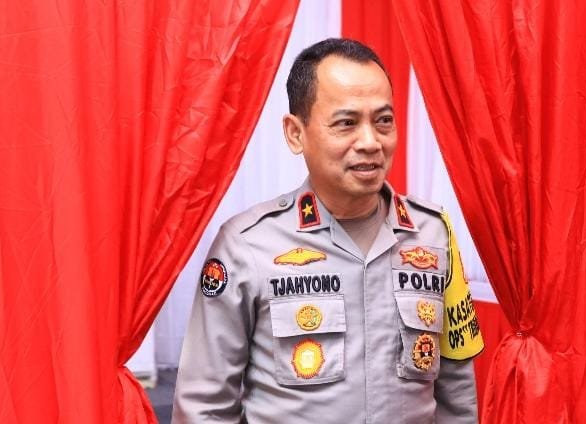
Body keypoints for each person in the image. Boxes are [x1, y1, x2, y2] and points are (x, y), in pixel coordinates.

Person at [173, 38, 484, 424]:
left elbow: (456, 392)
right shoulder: (247, 245)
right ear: (295, 133)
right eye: (346, 123)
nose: (370, 142)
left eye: (383, 121)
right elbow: (203, 407)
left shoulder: (433, 235)